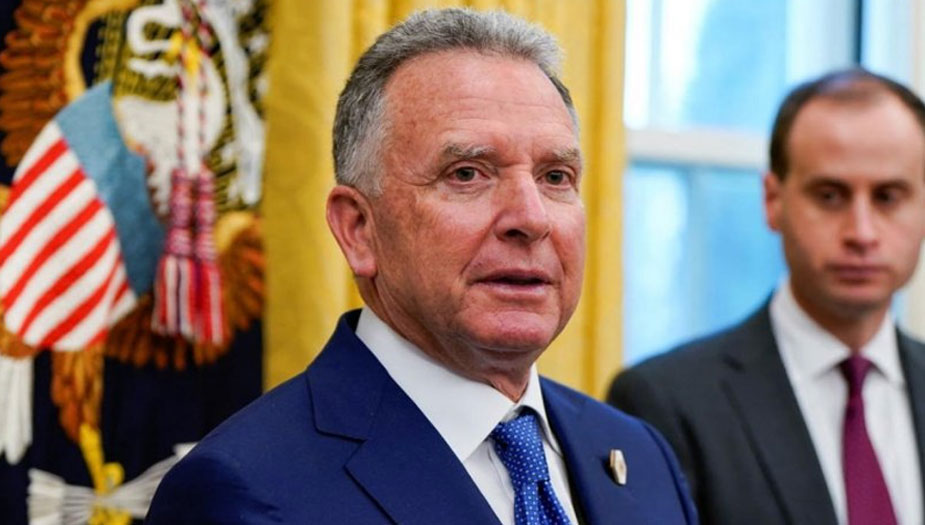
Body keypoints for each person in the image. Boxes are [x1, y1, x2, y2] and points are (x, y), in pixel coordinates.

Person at [146, 8, 697, 524]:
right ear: (359, 230)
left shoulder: (639, 457)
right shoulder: (246, 490)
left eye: (555, 177)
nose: (531, 218)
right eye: (467, 174)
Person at [608, 68, 925, 525]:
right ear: (773, 201)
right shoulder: (666, 405)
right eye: (830, 196)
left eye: (888, 197)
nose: (862, 232)